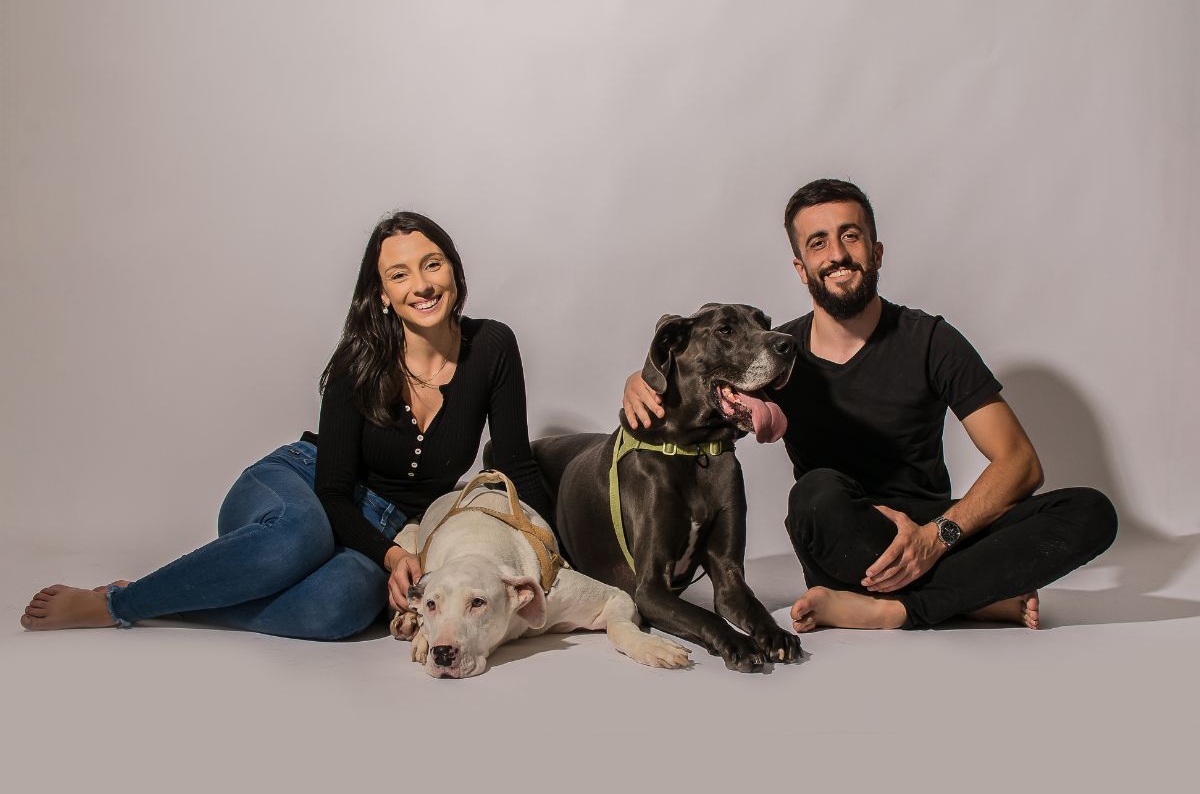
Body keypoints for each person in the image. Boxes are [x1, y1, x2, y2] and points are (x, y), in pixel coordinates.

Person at [20, 212, 551, 639]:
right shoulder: (358, 360)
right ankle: (117, 603)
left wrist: (557, 559)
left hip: (385, 531)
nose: (422, 285)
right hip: (301, 485)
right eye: (400, 274)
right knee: (302, 534)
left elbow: (515, 468)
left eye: (432, 264)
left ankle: (183, 600)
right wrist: (392, 555)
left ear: (454, 270)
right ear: (383, 295)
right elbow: (335, 492)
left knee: (342, 608)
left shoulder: (493, 347)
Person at [623, 179, 1117, 631]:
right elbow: (702, 380)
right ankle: (970, 595)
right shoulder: (779, 353)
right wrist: (642, 380)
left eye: (850, 236)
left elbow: (1021, 464)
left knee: (1091, 512)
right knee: (815, 493)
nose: (837, 254)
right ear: (801, 268)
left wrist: (935, 537)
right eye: (818, 243)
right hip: (839, 534)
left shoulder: (931, 340)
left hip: (933, 526)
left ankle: (895, 609)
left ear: (876, 251)